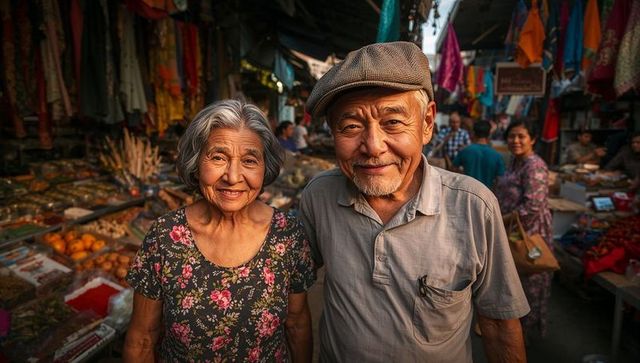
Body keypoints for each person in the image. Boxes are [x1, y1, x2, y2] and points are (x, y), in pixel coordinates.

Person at [301, 41, 529, 362]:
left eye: (393, 122)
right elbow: (293, 285)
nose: (373, 147)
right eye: (351, 126)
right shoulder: (319, 196)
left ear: (426, 123)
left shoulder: (473, 206)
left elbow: (498, 325)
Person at [124, 100, 316, 362]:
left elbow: (297, 323)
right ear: (196, 162)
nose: (233, 176)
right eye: (218, 157)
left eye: (249, 160)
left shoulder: (287, 234)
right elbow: (143, 338)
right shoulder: (165, 237)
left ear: (265, 168)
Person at [494, 120, 553, 339]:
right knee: (512, 281)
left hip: (530, 234)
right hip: (512, 230)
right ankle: (512, 331)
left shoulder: (534, 166)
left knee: (530, 282)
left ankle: (524, 335)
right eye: (511, 136)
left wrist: (501, 219)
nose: (515, 141)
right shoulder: (514, 162)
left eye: (521, 136)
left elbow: (532, 207)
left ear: (533, 140)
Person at [453, 120, 506, 189]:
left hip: (468, 191)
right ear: (489, 134)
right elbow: (500, 180)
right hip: (487, 194)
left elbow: (453, 169)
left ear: (473, 133)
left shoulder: (465, 151)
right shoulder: (497, 156)